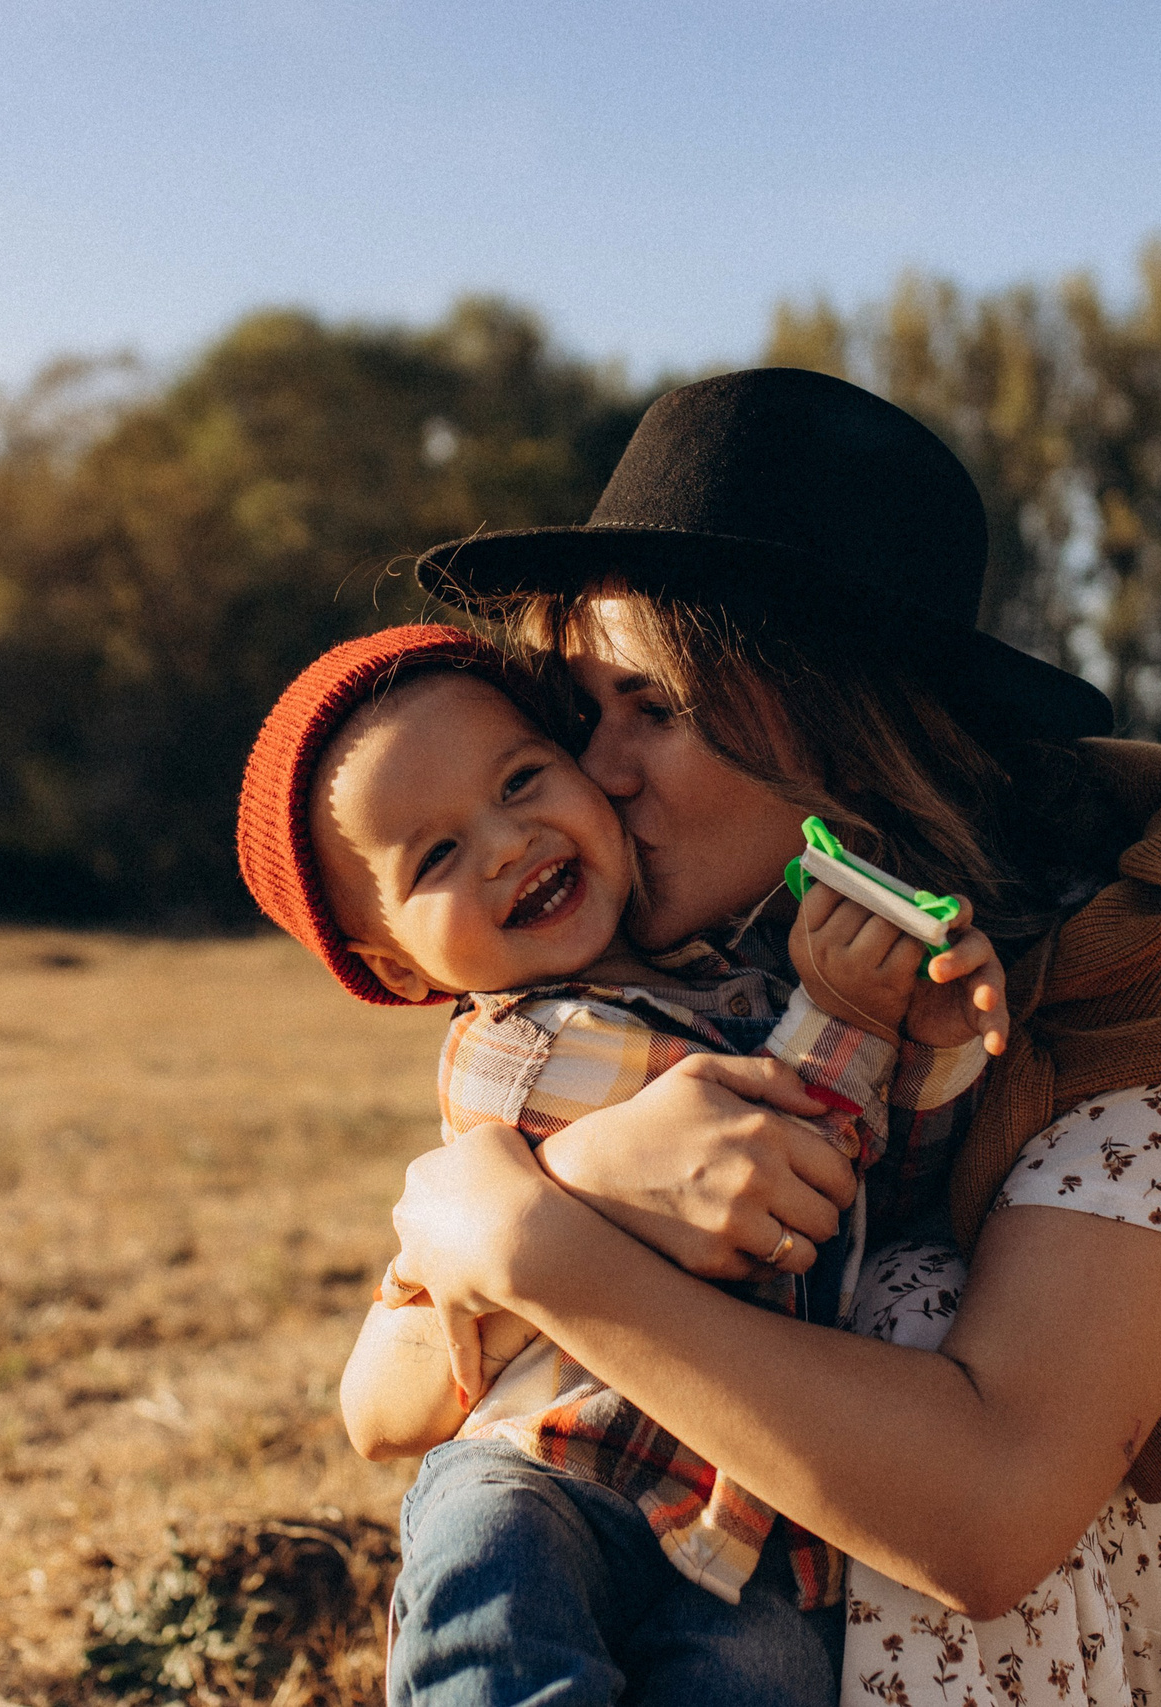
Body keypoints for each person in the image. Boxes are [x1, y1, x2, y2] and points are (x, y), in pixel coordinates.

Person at [387, 367, 1161, 1706]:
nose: (597, 772)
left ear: (826, 705)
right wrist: (562, 1188)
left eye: (649, 709)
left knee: (908, 1314)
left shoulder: (1140, 964)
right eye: (580, 716)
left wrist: (538, 1242)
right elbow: (393, 1402)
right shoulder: (698, 969)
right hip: (846, 1562)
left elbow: (991, 1515)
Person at [232, 622, 1008, 1706]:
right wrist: (849, 1017)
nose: (505, 843)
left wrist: (924, 1028)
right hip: (555, 1466)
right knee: (495, 1622)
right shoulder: (517, 1047)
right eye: (438, 857)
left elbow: (880, 1183)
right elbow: (790, 1137)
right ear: (395, 968)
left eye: (520, 780)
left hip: (748, 1508)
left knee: (762, 1678)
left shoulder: (744, 972)